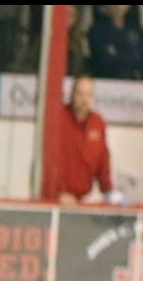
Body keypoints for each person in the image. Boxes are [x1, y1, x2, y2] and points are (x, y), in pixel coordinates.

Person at [42, 75, 125, 206]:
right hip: (54, 199)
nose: (84, 99)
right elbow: (48, 159)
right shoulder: (58, 118)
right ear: (72, 94)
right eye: (80, 94)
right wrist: (59, 191)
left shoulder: (98, 123)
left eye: (88, 94)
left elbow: (103, 160)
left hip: (81, 201)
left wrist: (109, 192)